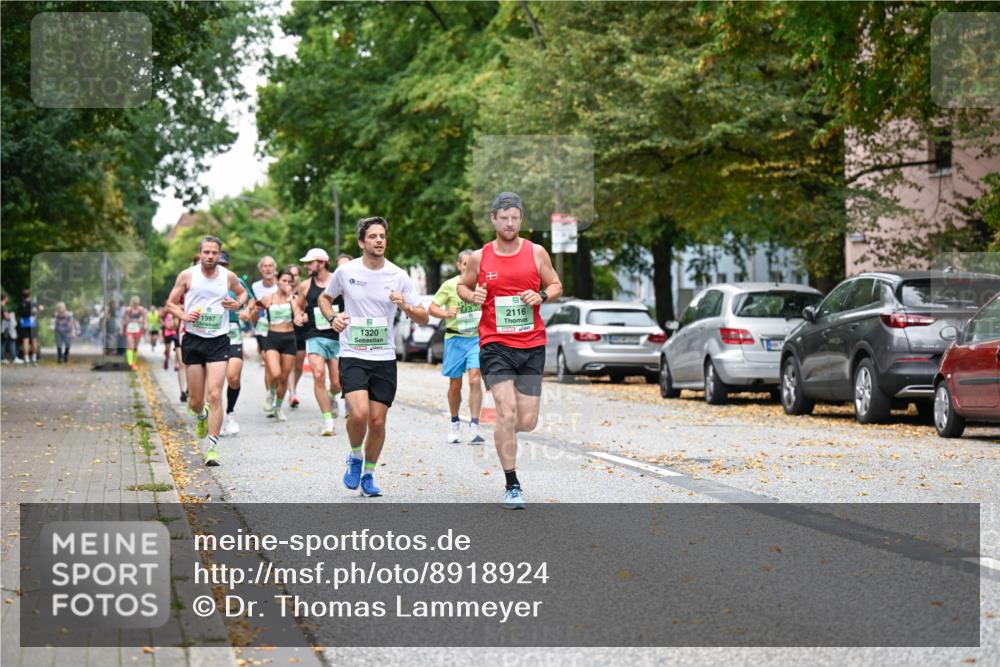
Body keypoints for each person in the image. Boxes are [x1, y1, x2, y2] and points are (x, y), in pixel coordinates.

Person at [457, 192, 563, 509]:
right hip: (495, 344)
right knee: (506, 412)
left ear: (521, 219)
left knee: (526, 420)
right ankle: (512, 483)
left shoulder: (536, 252)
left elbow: (557, 285)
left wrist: (542, 295)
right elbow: (463, 286)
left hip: (532, 344)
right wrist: (470, 295)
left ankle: (505, 429)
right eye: (503, 217)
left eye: (515, 217)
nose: (509, 223)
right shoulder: (480, 257)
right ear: (493, 219)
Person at [319, 217, 428, 497]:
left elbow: (424, 317)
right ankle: (355, 456)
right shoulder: (346, 272)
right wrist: (332, 317)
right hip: (353, 353)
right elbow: (324, 298)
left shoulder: (398, 275)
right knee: (359, 413)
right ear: (361, 242)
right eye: (373, 237)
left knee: (378, 422)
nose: (379, 240)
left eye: (382, 236)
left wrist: (403, 304)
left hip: (384, 357)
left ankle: (368, 473)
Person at [165, 236, 249, 466]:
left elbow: (242, 294)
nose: (211, 256)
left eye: (215, 253)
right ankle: (201, 415)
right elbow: (170, 303)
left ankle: (212, 448)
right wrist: (183, 315)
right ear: (200, 253)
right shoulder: (187, 275)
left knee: (214, 394)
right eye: (206, 252)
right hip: (193, 339)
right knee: (195, 401)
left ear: (219, 255)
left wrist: (238, 304)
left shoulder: (227, 277)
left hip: (219, 340)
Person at [429, 249, 485, 444]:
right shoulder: (450, 285)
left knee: (475, 379)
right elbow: (432, 308)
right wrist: (446, 313)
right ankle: (454, 424)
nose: (468, 268)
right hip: (455, 338)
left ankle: (475, 426)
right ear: (459, 265)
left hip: (476, 338)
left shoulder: (482, 285)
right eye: (465, 264)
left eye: (472, 265)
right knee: (455, 384)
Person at [294, 248, 343, 436]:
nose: (306, 266)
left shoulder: (338, 281)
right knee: (318, 374)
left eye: (310, 263)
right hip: (315, 335)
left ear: (321, 263)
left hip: (338, 336)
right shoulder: (305, 286)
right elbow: (299, 307)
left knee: (338, 383)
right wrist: (300, 317)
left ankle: (332, 396)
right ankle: (328, 421)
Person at [218, 251, 255, 436]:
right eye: (218, 264)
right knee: (212, 383)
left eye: (224, 264)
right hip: (210, 333)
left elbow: (250, 298)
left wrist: (246, 310)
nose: (221, 268)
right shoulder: (202, 281)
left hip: (232, 331)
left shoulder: (235, 280)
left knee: (233, 377)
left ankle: (230, 414)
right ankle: (209, 415)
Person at [258, 268, 298, 421]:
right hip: (273, 338)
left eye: (289, 281)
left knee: (284, 377)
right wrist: (249, 312)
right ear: (277, 281)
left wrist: (290, 297)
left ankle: (278, 407)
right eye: (284, 281)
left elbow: (298, 313)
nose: (286, 284)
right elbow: (254, 309)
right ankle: (271, 394)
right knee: (275, 373)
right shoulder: (269, 298)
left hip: (289, 338)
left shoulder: (293, 299)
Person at [252, 256, 279, 409]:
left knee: (279, 368)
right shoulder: (255, 287)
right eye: (265, 266)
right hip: (262, 329)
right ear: (260, 269)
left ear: (274, 268)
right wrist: (254, 315)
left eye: (270, 266)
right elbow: (253, 308)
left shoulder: (281, 284)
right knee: (269, 363)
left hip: (280, 328)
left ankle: (276, 393)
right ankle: (270, 394)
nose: (268, 269)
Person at [287, 264, 306, 409]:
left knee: (299, 365)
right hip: (285, 331)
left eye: (296, 275)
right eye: (290, 275)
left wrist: (305, 316)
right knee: (289, 365)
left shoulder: (304, 290)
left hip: (301, 331)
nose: (293, 278)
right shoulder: (281, 291)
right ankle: (292, 393)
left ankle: (294, 388)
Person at [160, 306, 188, 402]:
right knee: (182, 364)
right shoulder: (178, 305)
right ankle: (182, 391)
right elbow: (174, 325)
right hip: (180, 337)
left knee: (191, 365)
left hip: (196, 338)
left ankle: (189, 388)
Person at [121, 296, 146, 370]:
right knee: (130, 346)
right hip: (129, 330)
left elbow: (145, 319)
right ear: (132, 302)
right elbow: (122, 319)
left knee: (135, 347)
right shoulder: (128, 309)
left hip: (138, 330)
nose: (136, 305)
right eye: (134, 303)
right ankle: (130, 363)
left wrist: (145, 325)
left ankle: (134, 362)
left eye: (137, 303)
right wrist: (122, 328)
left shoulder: (141, 309)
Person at [17, 289, 42, 365]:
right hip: (33, 324)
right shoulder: (33, 304)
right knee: (34, 341)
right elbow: (39, 310)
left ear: (23, 296)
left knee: (25, 342)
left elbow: (18, 315)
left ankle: (26, 359)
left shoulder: (21, 304)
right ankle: (34, 359)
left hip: (24, 324)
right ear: (30, 295)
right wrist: (39, 311)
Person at [1, 293, 16, 363]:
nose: (8, 299)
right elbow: (6, 317)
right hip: (3, 327)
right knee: (2, 343)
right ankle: (2, 358)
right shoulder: (3, 306)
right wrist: (11, 315)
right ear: (5, 298)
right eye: (7, 297)